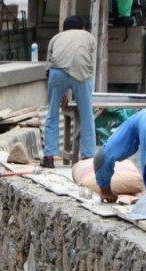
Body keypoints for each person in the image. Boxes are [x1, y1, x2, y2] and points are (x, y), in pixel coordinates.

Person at [43, 15, 97, 169]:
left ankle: (48, 157)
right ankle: (88, 157)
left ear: (64, 28)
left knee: (52, 114)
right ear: (82, 28)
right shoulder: (89, 37)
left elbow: (49, 64)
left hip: (57, 72)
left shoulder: (56, 38)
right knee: (87, 116)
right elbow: (89, 60)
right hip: (81, 74)